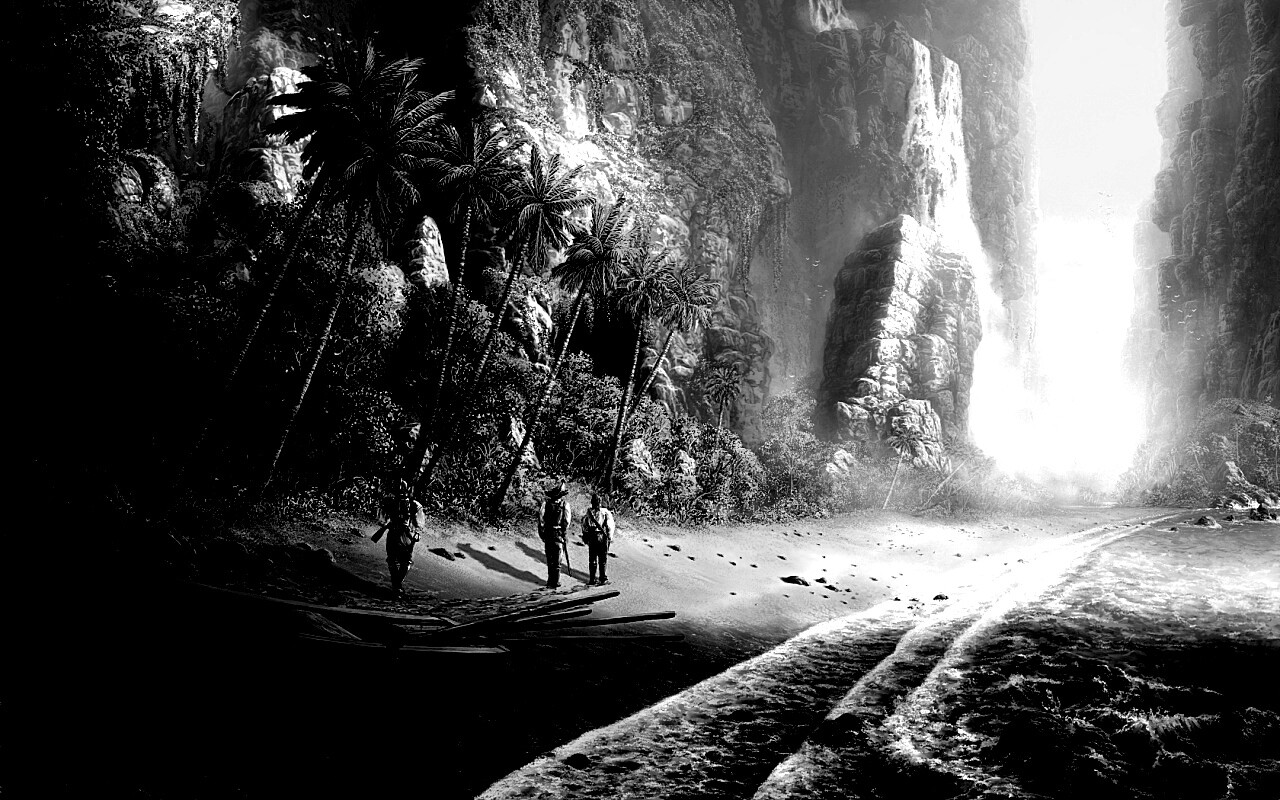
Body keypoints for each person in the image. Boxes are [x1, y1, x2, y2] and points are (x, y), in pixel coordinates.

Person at [373, 480, 424, 600]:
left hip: (403, 534)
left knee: (401, 562)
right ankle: (397, 587)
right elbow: (382, 518)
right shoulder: (392, 502)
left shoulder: (412, 505)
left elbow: (418, 523)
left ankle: (396, 586)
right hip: (398, 534)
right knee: (396, 561)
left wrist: (415, 532)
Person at [537, 481, 571, 589]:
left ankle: (550, 581)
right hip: (558, 534)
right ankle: (555, 582)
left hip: (548, 533)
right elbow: (566, 521)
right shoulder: (565, 505)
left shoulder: (545, 504)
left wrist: (542, 533)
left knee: (550, 559)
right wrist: (564, 533)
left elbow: (541, 520)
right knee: (557, 560)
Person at [580, 492, 616, 585]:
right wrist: (609, 537)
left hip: (592, 537)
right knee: (602, 559)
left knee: (592, 559)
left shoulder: (588, 513)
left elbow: (584, 525)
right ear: (599, 502)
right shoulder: (605, 512)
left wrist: (585, 536)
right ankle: (602, 578)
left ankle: (592, 579)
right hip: (601, 537)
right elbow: (610, 526)